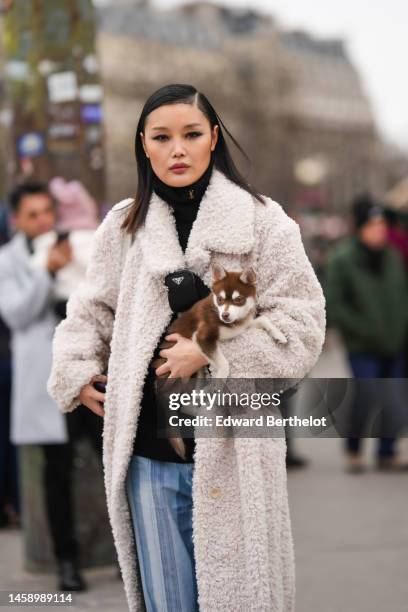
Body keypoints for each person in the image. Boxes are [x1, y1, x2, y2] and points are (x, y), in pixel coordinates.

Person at [47, 83, 326, 612]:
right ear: (144, 145)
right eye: (162, 137)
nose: (178, 149)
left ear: (213, 138)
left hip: (237, 451)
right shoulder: (124, 226)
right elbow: (89, 310)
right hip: (148, 456)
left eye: (191, 134)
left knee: (240, 598)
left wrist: (212, 350)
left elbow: (304, 324)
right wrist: (78, 371)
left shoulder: (263, 220)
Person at [0, 182, 94, 591]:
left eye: (46, 212)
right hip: (44, 384)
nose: (42, 221)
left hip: (87, 375)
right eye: (32, 214)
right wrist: (48, 272)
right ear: (16, 219)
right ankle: (66, 561)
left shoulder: (77, 243)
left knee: (110, 460)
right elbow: (17, 316)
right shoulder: (7, 260)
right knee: (56, 476)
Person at [325, 194, 408, 472]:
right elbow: (334, 303)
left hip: (395, 343)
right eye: (373, 226)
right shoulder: (343, 259)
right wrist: (361, 328)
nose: (379, 231)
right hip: (362, 345)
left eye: (382, 225)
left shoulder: (392, 257)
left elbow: (401, 295)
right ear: (360, 228)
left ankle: (387, 451)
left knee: (394, 397)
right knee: (368, 394)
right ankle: (354, 450)